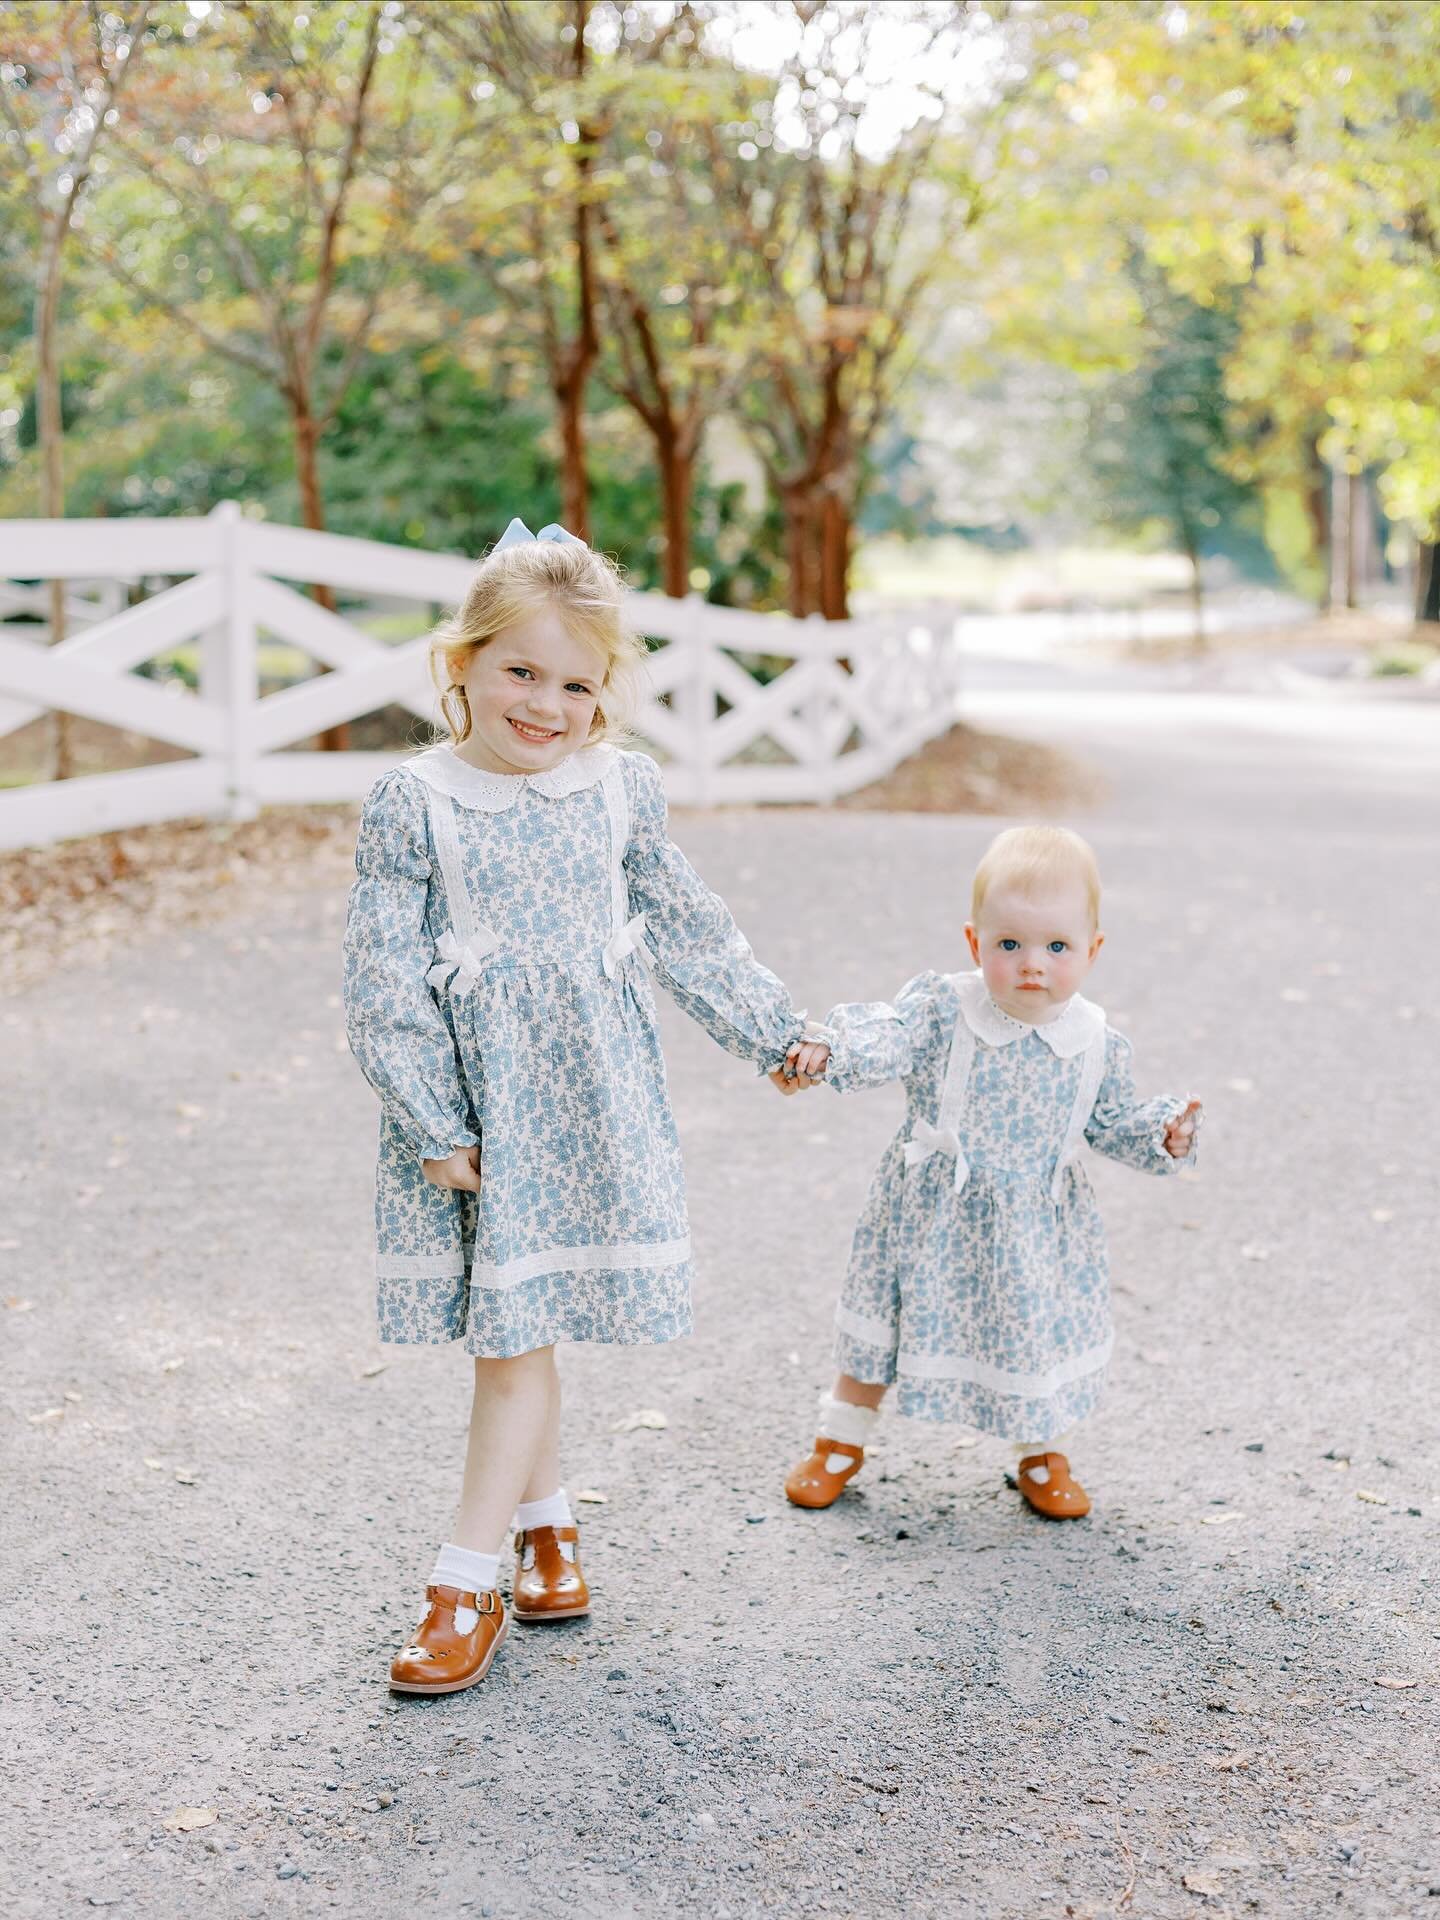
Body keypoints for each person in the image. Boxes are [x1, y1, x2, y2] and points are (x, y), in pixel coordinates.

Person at [343, 518, 811, 1694]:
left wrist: (771, 1032)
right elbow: (383, 984)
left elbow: (687, 927)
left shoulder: (619, 793)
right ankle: (530, 1541)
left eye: (576, 683)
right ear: (462, 664)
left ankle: (470, 1581)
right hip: (480, 1117)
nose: (546, 704)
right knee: (514, 1338)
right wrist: (435, 1125)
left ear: (607, 694)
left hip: (590, 1105)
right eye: (521, 671)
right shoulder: (416, 804)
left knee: (517, 1337)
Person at [775, 824, 1201, 1521]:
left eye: (1056, 946)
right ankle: (839, 1439)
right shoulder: (944, 1009)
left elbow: (1110, 1122)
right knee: (884, 1325)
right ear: (975, 944)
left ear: (1092, 951)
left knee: (1034, 1336)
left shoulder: (1094, 1041)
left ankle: (1042, 1451)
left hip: (1035, 1227)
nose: (1032, 964)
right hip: (930, 1215)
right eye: (1010, 944)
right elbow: (887, 1036)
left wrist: (1162, 1132)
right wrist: (835, 1047)